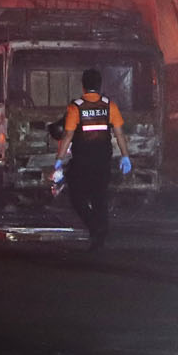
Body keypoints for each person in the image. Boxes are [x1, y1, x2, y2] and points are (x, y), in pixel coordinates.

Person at [52, 68, 133, 251]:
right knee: (99, 198)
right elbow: (119, 134)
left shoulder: (76, 107)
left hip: (82, 161)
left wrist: (59, 159)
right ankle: (100, 235)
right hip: (102, 160)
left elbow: (67, 136)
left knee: (77, 197)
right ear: (100, 85)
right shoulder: (109, 105)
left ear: (83, 86)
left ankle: (94, 227)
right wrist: (125, 156)